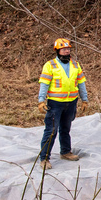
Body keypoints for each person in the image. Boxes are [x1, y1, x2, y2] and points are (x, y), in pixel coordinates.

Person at [38, 38, 89, 168]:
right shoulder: (50, 65)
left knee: (65, 129)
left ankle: (65, 151)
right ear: (58, 50)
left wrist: (84, 99)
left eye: (68, 49)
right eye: (64, 49)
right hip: (55, 104)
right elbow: (44, 84)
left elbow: (81, 83)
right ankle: (44, 159)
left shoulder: (75, 65)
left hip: (71, 102)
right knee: (51, 131)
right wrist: (41, 100)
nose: (66, 51)